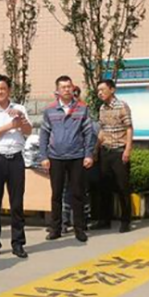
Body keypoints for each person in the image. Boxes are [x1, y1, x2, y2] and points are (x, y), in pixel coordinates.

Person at [0, 74, 32, 258]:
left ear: (9, 90)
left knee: (17, 202)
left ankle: (18, 243)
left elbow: (28, 131)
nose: (0, 92)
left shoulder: (19, 108)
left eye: (3, 88)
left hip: (15, 159)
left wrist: (21, 121)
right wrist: (10, 125)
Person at [39, 75, 95, 243]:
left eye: (69, 87)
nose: (66, 90)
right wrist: (43, 156)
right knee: (56, 194)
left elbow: (89, 133)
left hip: (77, 156)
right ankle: (55, 229)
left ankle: (79, 229)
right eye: (63, 87)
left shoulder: (82, 108)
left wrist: (88, 154)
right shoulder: (50, 110)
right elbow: (44, 134)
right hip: (55, 157)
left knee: (77, 193)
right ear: (57, 90)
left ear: (72, 88)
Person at [91, 79, 133, 233]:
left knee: (122, 187)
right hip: (105, 151)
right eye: (98, 90)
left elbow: (129, 128)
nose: (100, 93)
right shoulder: (102, 108)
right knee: (104, 186)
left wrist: (127, 149)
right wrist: (96, 149)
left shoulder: (122, 106)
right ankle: (104, 220)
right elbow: (102, 130)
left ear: (112, 90)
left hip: (119, 151)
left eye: (102, 90)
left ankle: (126, 220)